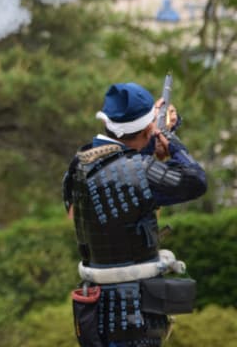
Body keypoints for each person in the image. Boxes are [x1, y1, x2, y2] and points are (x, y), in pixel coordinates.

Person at [62, 82, 207, 347]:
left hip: (95, 306)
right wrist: (171, 141)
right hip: (134, 314)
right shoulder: (137, 170)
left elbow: (122, 175)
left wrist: (152, 136)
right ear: (148, 129)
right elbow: (196, 181)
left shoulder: (80, 163)